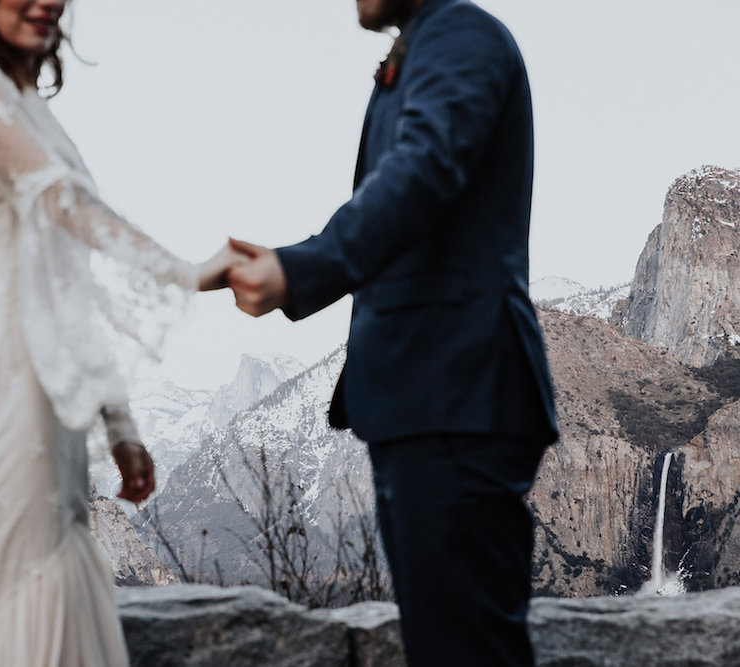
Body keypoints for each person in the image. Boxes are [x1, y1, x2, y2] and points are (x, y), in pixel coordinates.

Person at [0, 1, 238, 664]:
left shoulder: (23, 97)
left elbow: (63, 281)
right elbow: (62, 203)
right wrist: (183, 272)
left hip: (48, 418)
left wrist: (119, 424)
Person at [225, 0, 558, 664]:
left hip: (456, 396)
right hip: (426, 403)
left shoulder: (463, 35)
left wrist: (299, 270)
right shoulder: (431, 43)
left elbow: (421, 171)